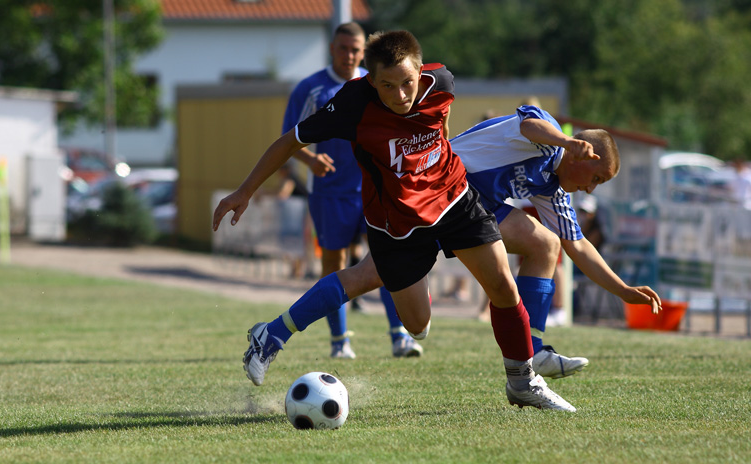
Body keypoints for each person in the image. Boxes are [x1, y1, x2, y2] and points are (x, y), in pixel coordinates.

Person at [214, 30, 576, 411]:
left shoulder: (443, 83)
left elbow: (442, 125)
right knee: (416, 325)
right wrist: (245, 192)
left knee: (503, 285)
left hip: (454, 200)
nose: (401, 95)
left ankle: (522, 381)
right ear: (370, 80)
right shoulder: (353, 104)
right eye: (387, 86)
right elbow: (289, 142)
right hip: (396, 224)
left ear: (421, 72)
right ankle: (270, 333)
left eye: (407, 83)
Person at [450, 104, 662, 378]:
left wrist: (622, 289)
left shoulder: (552, 188)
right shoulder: (548, 138)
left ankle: (533, 351)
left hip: (466, 204)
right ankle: (530, 353)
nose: (590, 189)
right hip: (433, 186)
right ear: (579, 154)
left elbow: (578, 244)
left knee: (546, 244)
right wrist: (566, 141)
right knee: (404, 304)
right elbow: (529, 125)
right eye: (596, 178)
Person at [282, 22, 423, 359]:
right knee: (335, 261)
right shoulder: (311, 88)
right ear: (333, 49)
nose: (350, 55)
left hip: (375, 188)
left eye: (356, 49)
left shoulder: (375, 82)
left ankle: (400, 336)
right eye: (344, 48)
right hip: (330, 193)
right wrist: (311, 160)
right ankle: (340, 341)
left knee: (386, 258)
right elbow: (288, 138)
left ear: (365, 52)